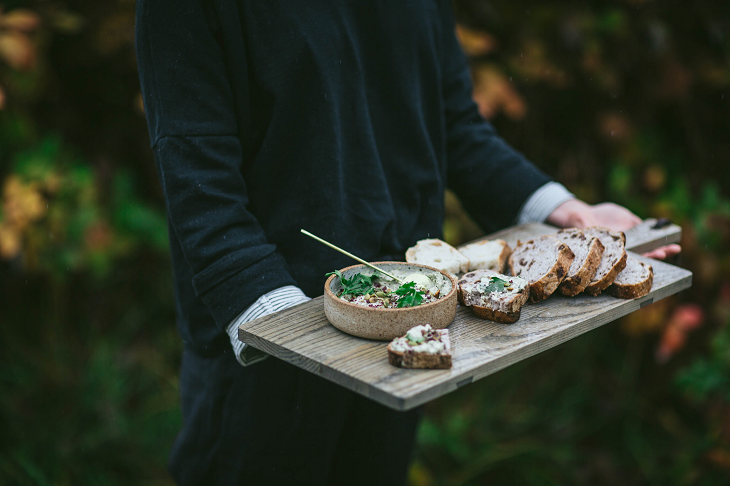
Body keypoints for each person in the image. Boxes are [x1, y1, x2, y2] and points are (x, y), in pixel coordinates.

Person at [135, 1, 679, 485]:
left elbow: (455, 127)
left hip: (409, 328)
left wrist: (565, 212)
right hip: (266, 359)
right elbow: (202, 193)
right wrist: (292, 335)